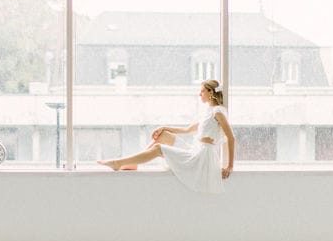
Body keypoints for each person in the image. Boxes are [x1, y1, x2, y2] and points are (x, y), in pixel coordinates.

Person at [97, 79, 234, 193]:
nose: (199, 94)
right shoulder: (208, 111)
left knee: (158, 148)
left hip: (202, 157)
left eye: (202, 91)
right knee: (164, 135)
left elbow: (231, 138)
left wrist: (229, 166)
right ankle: (132, 163)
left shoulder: (218, 112)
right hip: (196, 149)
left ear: (210, 92)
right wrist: (164, 127)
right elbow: (187, 130)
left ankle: (118, 163)